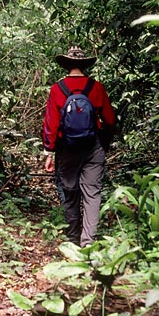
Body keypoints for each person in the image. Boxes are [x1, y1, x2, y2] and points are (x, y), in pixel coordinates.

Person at [42, 46, 116, 247]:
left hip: (66, 149)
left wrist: (49, 151)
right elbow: (109, 119)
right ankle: (88, 242)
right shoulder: (97, 87)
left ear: (66, 65)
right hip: (93, 147)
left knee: (70, 191)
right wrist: (104, 143)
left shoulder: (57, 89)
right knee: (92, 193)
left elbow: (51, 123)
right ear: (85, 65)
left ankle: (73, 237)